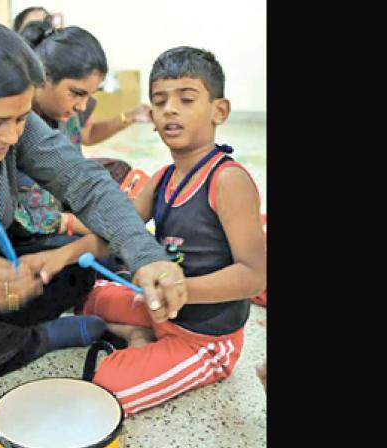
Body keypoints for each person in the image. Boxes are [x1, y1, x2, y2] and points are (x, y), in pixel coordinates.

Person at [0, 23, 186, 393]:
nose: (11, 137)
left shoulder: (14, 125)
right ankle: (37, 340)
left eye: (21, 119)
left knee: (74, 266)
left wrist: (146, 254)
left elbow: (83, 181)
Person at [73, 46, 267, 416]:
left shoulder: (228, 180)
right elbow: (120, 226)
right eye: (159, 101)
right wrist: (60, 252)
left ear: (219, 111)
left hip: (204, 339)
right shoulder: (162, 177)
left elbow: (254, 277)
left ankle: (150, 348)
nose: (170, 110)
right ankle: (137, 336)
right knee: (86, 295)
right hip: (160, 310)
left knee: (106, 391)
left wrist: (179, 291)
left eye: (186, 98)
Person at [9, 21, 151, 249]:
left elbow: (78, 174)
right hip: (26, 233)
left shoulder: (67, 116)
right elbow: (10, 212)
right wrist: (72, 223)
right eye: (76, 93)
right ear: (43, 77)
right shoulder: (11, 120)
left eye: (89, 95)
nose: (82, 106)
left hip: (61, 209)